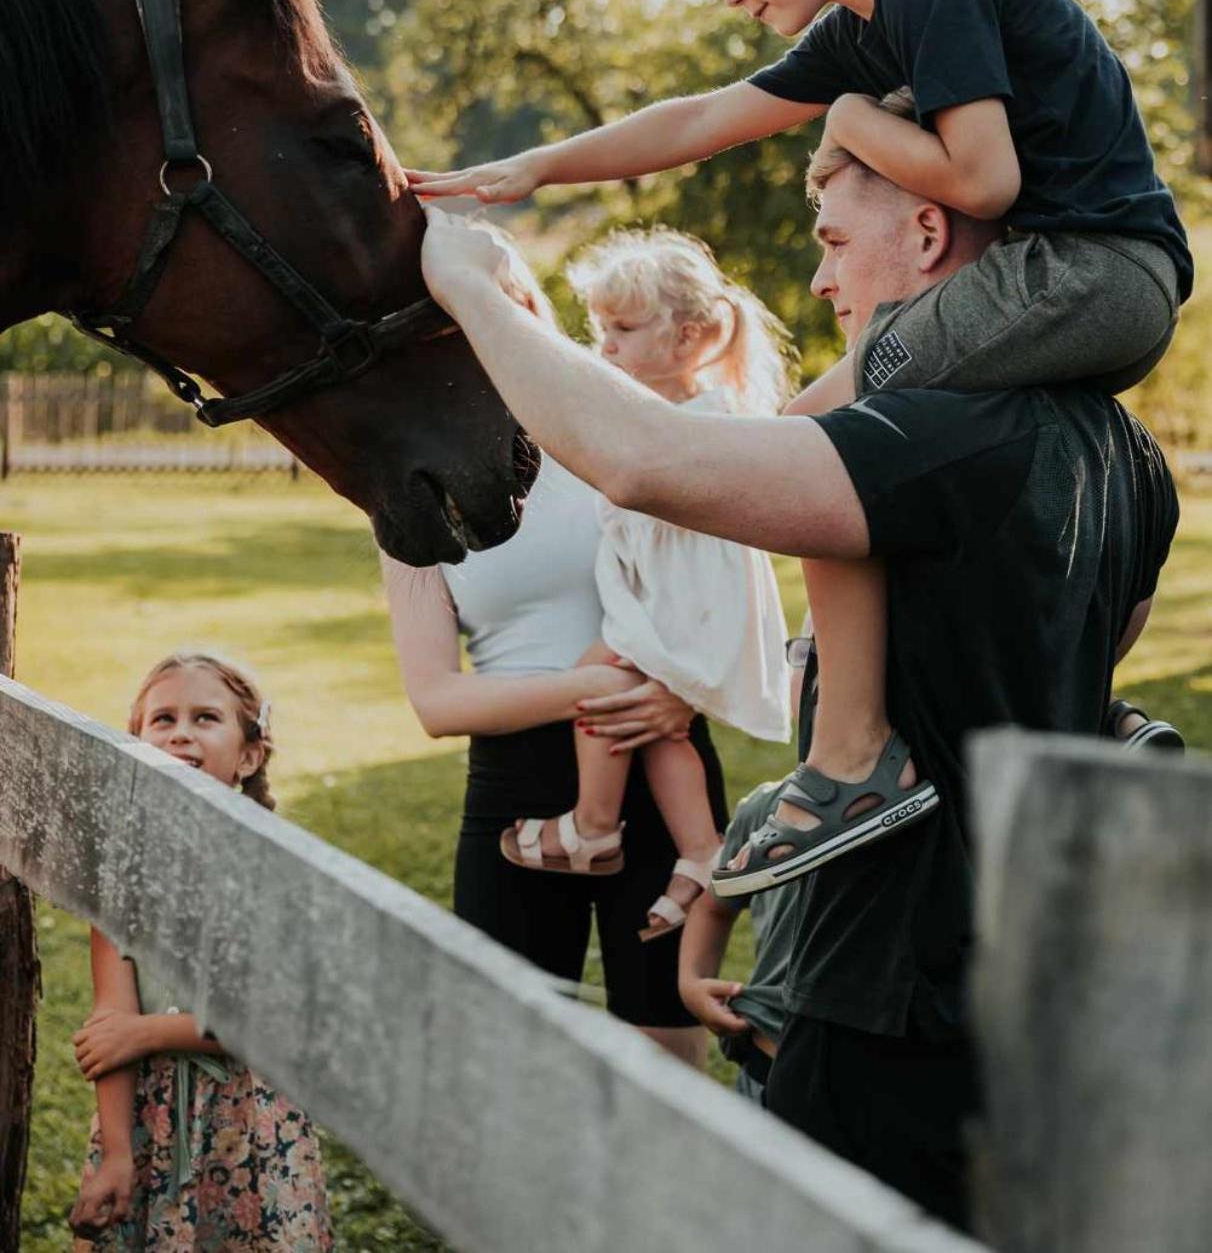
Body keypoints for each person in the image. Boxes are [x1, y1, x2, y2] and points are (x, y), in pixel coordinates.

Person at [406, 0, 1192, 883]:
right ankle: (1072, 716)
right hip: (1073, 284)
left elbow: (987, 177)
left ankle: (853, 753)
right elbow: (701, 118)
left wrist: (855, 122)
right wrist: (533, 167)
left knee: (822, 447)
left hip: (1089, 272)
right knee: (844, 446)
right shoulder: (865, 26)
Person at [418, 161, 1179, 1230]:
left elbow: (643, 458)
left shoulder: (923, 433)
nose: (819, 277)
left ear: (925, 234)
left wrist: (470, 288)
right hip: (1028, 978)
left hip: (882, 990)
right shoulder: (1129, 452)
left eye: (830, 238)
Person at [382, 231, 730, 1067]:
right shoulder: (408, 492)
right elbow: (436, 701)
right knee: (511, 1058)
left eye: (503, 304)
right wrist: (600, 691)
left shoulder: (623, 427)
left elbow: (725, 586)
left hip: (661, 763)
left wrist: (683, 690)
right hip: (516, 789)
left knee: (662, 1055)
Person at [498, 229, 790, 941]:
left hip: (682, 603)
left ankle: (593, 826)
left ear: (688, 339)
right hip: (666, 597)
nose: (607, 347)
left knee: (597, 680)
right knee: (656, 729)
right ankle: (701, 848)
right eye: (601, 330)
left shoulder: (700, 423)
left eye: (625, 330)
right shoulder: (660, 415)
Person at [69, 652, 332, 1250]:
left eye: (205, 717)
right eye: (162, 719)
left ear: (248, 754)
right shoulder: (122, 874)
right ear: (135, 741)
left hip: (251, 1127)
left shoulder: (275, 869)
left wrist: (149, 1034)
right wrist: (115, 1152)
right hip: (146, 1122)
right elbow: (111, 1020)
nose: (181, 731)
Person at [678, 639, 814, 1100]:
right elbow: (714, 908)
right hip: (765, 1071)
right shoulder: (761, 810)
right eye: (805, 651)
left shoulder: (926, 816)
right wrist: (692, 980)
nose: (821, 671)